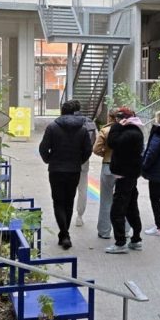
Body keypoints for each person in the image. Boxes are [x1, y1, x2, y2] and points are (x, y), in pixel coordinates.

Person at [38, 100, 92, 250]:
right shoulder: (82, 129)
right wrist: (79, 161)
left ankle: (64, 233)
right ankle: (64, 233)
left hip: (56, 170)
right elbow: (88, 150)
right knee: (69, 201)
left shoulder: (53, 127)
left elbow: (43, 148)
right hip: (74, 170)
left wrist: (49, 159)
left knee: (58, 201)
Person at [105, 106, 144, 254]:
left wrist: (115, 127)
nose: (116, 121)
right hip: (130, 174)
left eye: (118, 119)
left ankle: (120, 242)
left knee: (117, 210)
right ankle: (136, 239)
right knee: (131, 207)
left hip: (125, 175)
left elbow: (112, 142)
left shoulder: (129, 133)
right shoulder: (134, 131)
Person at [93, 108, 120, 240]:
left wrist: (105, 153)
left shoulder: (105, 130)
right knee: (123, 200)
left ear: (109, 117)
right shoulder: (128, 129)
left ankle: (104, 231)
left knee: (106, 199)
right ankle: (125, 230)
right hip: (123, 168)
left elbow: (96, 149)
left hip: (108, 166)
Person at [71, 99, 97, 228]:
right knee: (82, 188)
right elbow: (93, 142)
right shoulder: (90, 123)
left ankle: (66, 214)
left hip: (68, 160)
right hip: (84, 160)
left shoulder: (65, 122)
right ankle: (79, 216)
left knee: (67, 188)